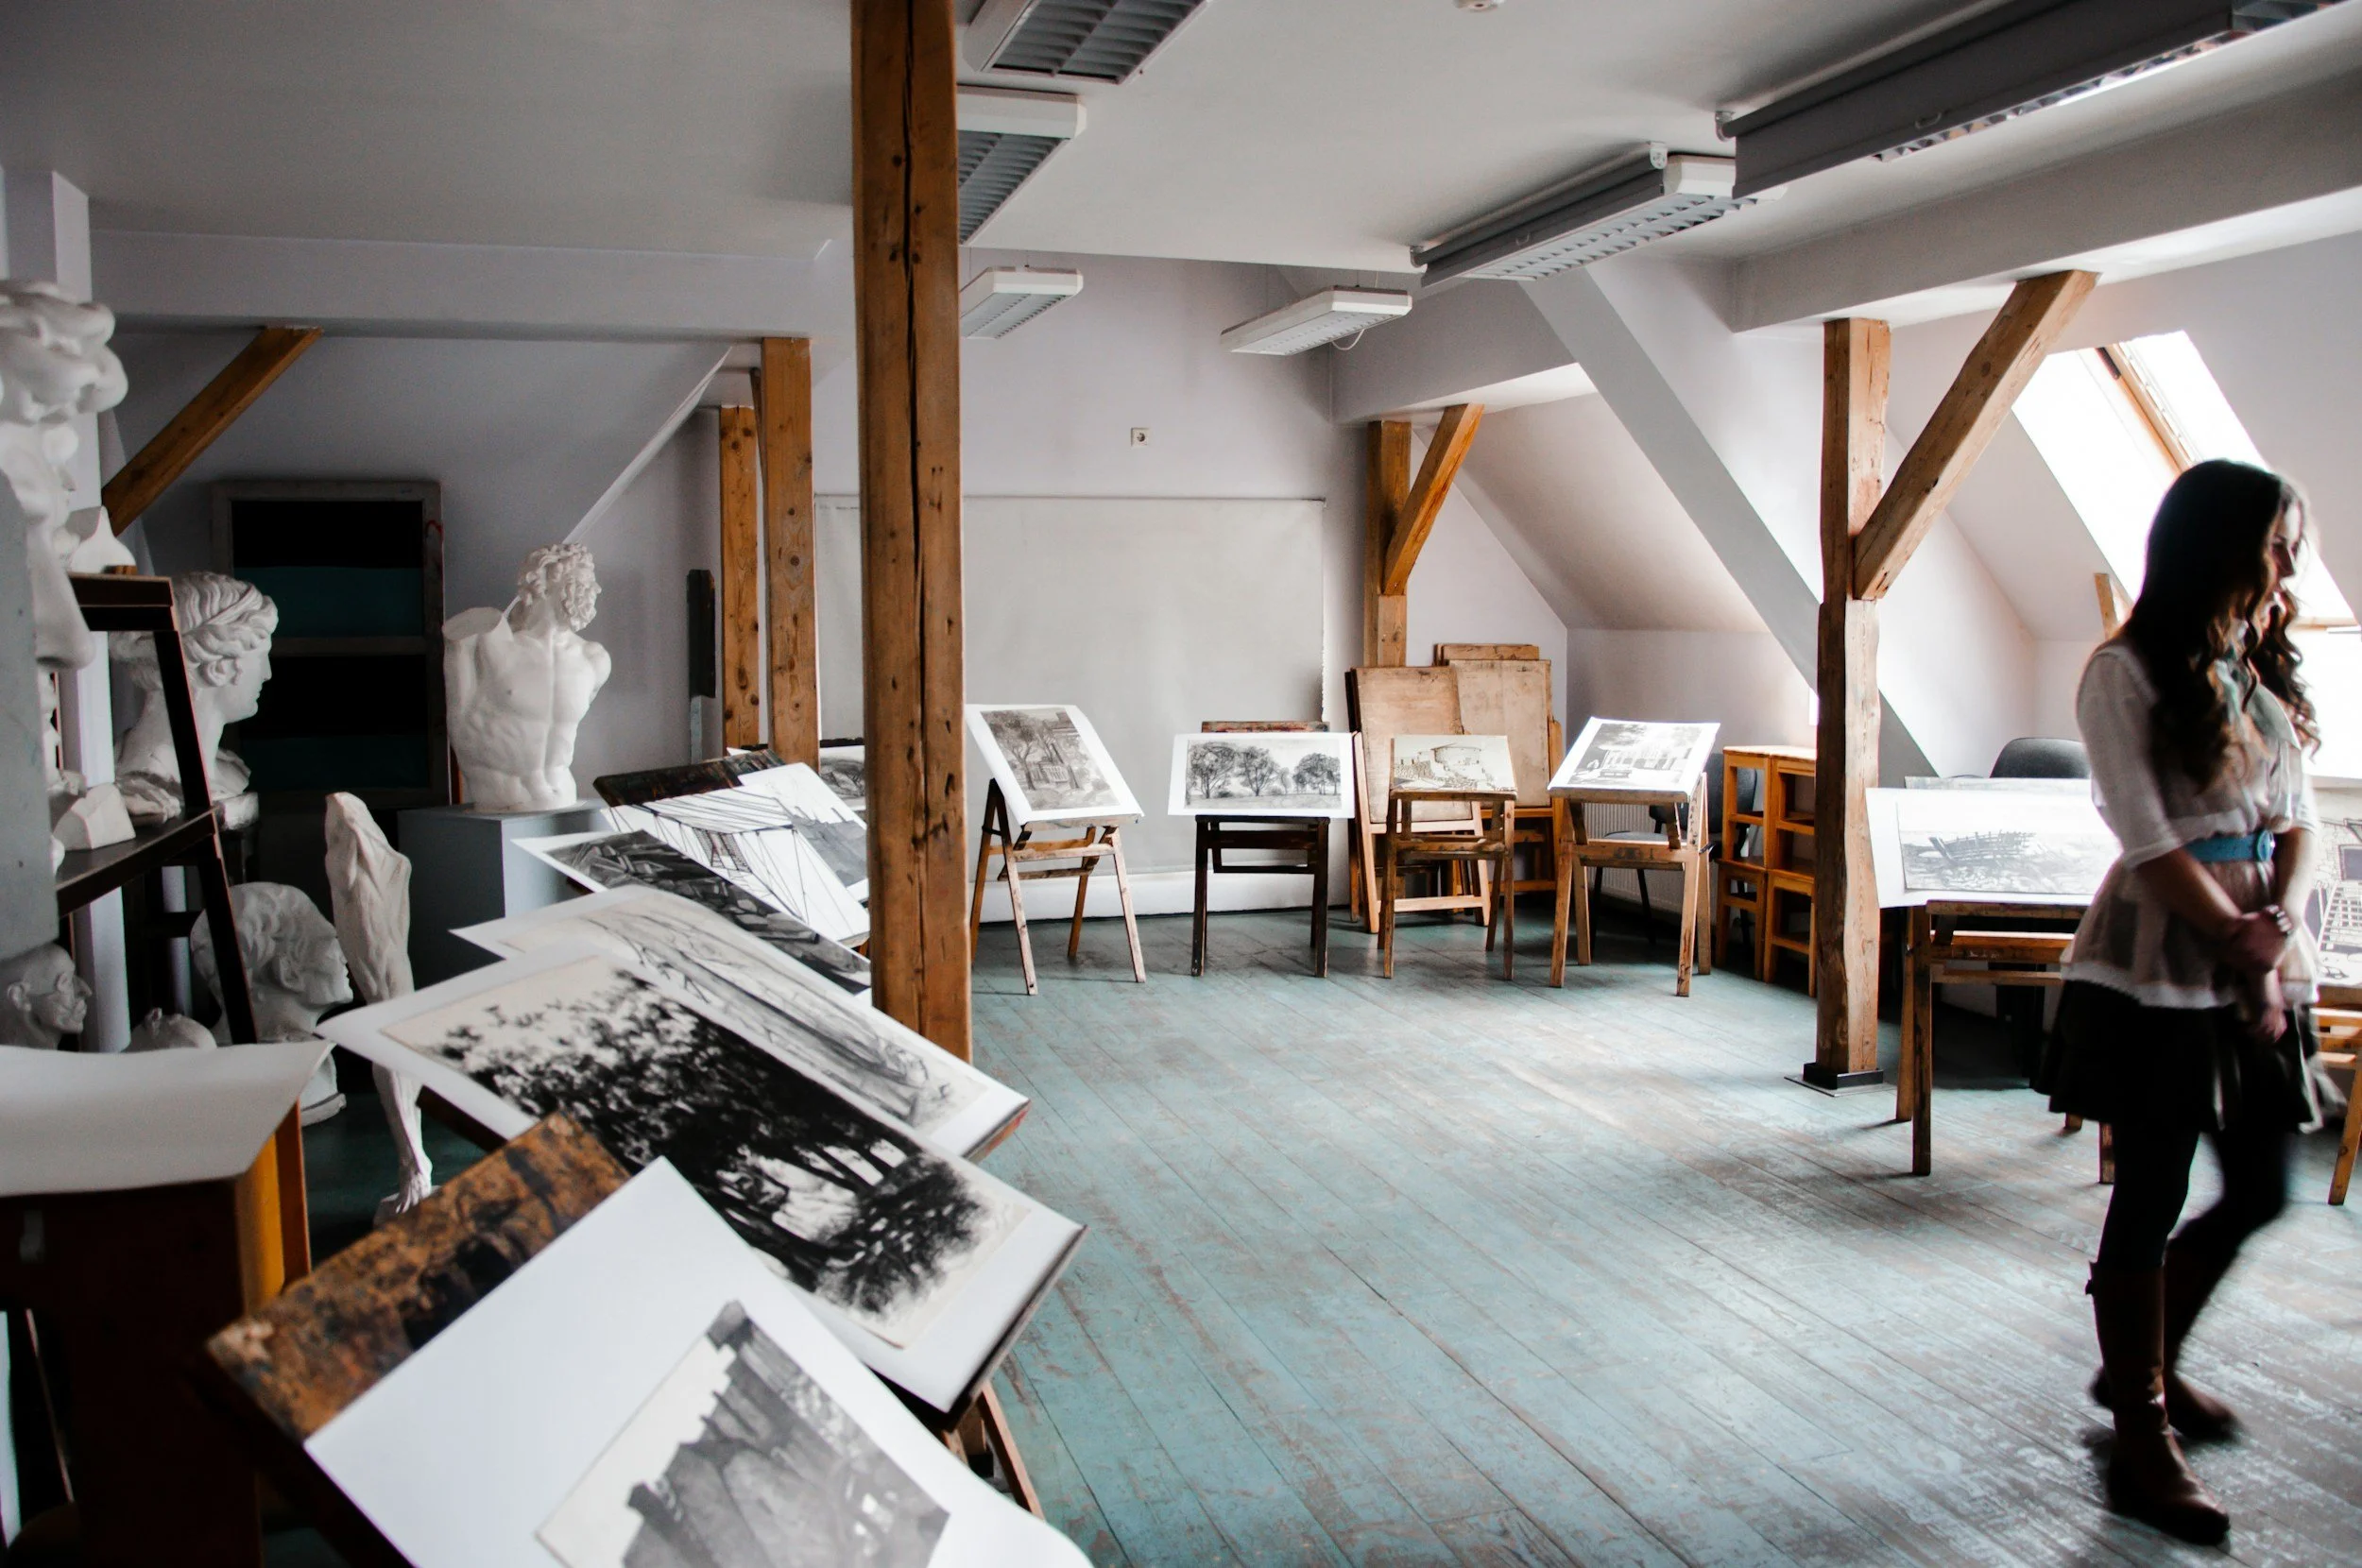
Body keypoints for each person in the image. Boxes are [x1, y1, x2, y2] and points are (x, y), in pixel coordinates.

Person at [2044, 459, 2327, 1544]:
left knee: (2259, 1185)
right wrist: (2236, 941)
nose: (2288, 566)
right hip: (2162, 963)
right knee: (2151, 1189)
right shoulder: (2126, 672)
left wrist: (2280, 929)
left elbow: (2298, 820)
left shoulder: (2248, 672)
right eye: (2274, 544)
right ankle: (2142, 1433)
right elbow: (2150, 839)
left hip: (2255, 953)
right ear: (2217, 545)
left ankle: (2141, 1371)